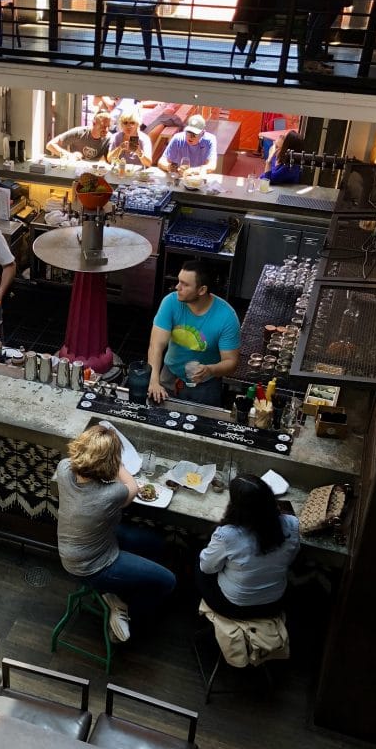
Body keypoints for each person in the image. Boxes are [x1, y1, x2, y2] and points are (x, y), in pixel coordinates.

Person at [56, 425, 176, 643]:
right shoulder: (111, 493)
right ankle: (127, 615)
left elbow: (78, 461)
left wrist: (100, 453)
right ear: (108, 462)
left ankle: (118, 591)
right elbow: (132, 486)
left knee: (156, 543)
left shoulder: (64, 469)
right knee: (168, 581)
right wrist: (117, 461)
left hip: (79, 547)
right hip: (93, 566)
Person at [197, 474, 300, 618]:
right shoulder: (292, 523)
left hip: (235, 605)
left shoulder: (228, 535)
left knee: (200, 561)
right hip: (274, 602)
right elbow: (290, 559)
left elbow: (207, 568)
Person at [147, 259, 240, 406]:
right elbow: (156, 346)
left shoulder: (226, 317)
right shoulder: (170, 302)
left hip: (206, 384)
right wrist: (153, 381)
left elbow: (231, 362)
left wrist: (210, 370)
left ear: (202, 290)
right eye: (179, 281)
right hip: (170, 375)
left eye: (185, 284)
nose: (177, 287)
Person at [45, 110, 111, 161]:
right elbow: (50, 145)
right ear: (94, 123)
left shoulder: (109, 138)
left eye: (108, 126)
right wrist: (69, 156)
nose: (106, 130)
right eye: (103, 126)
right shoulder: (79, 132)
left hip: (92, 174)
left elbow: (110, 160)